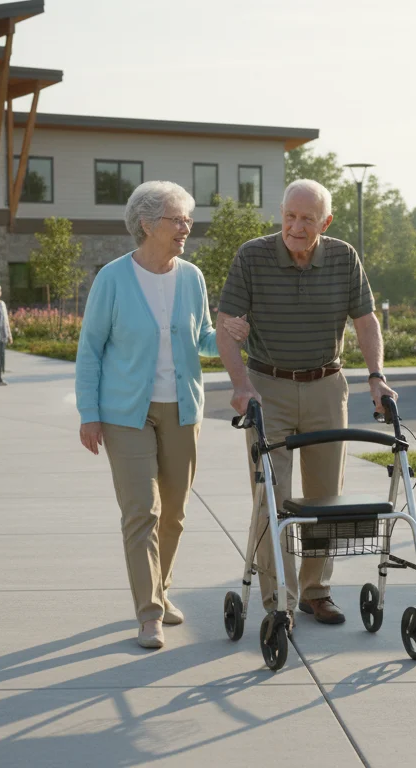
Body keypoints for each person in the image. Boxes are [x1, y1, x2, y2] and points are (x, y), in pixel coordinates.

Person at [215, 179, 397, 627]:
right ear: (281, 215)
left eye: (307, 219)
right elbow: (226, 325)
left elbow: (366, 319)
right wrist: (240, 386)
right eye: (289, 217)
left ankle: (317, 590)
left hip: (325, 384)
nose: (295, 227)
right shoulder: (252, 256)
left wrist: (376, 378)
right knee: (270, 498)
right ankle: (280, 600)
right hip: (266, 387)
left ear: (325, 222)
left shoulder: (343, 257)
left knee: (325, 498)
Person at [75, 180, 248, 650]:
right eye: (178, 219)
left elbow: (203, 339)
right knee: (141, 512)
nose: (186, 227)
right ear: (148, 224)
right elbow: (89, 350)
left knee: (173, 513)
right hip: (124, 412)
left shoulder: (190, 277)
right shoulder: (112, 278)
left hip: (182, 406)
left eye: (188, 219)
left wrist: (232, 333)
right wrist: (89, 414)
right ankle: (148, 613)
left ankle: (162, 589)